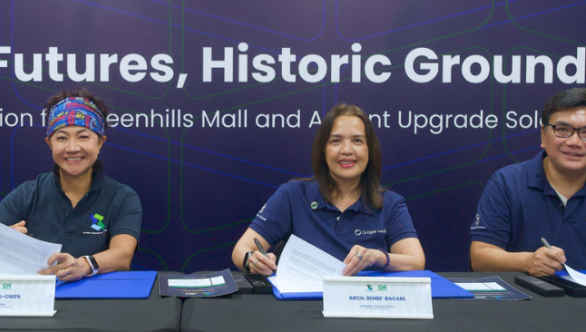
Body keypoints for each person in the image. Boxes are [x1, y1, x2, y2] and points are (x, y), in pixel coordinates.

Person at [0, 87, 141, 282]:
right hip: (33, 298)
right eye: (62, 138)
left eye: (83, 136)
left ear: (100, 142)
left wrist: (84, 265)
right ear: (50, 143)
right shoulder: (26, 195)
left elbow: (123, 256)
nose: (72, 148)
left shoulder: (122, 197)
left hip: (98, 299)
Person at [232, 103, 425, 276]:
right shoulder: (292, 194)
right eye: (336, 141)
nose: (347, 150)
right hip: (304, 302)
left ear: (370, 150)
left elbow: (416, 262)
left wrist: (378, 257)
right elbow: (242, 249)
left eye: (357, 141)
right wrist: (253, 260)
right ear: (323, 151)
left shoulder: (390, 203)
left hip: (365, 302)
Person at [470, 88, 586, 276]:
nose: (575, 142)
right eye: (563, 130)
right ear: (543, 135)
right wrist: (527, 262)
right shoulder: (508, 182)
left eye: (585, 132)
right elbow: (480, 258)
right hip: (525, 293)